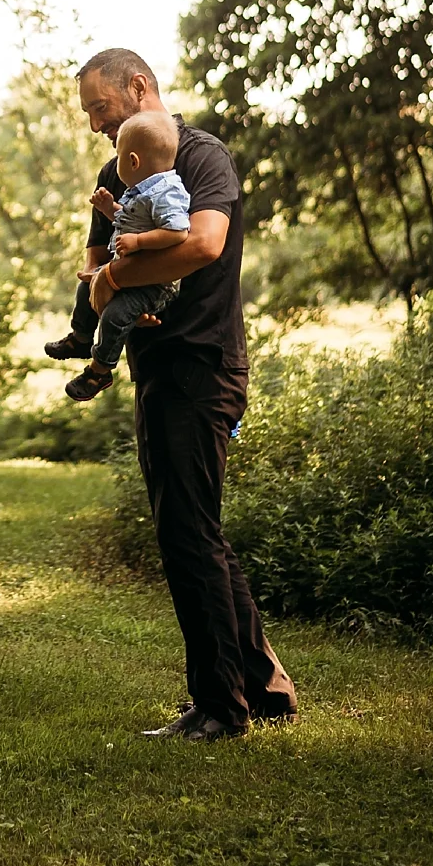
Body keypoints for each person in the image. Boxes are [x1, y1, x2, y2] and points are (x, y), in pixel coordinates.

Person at [51, 47, 298, 743]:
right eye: (89, 114)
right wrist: (98, 279)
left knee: (187, 535)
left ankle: (219, 707)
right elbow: (96, 255)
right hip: (154, 366)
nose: (95, 124)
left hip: (202, 362)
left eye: (100, 108)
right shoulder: (116, 173)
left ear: (138, 88)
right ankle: (265, 689)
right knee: (195, 529)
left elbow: (201, 246)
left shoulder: (200, 155)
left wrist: (111, 287)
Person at [58, 107, 191, 403]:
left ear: (132, 160)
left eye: (118, 157)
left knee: (117, 315)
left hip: (155, 283)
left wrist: (140, 242)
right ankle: (80, 338)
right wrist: (109, 210)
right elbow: (130, 221)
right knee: (87, 286)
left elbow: (178, 232)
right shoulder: (142, 190)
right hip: (129, 273)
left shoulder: (167, 192)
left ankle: (99, 370)